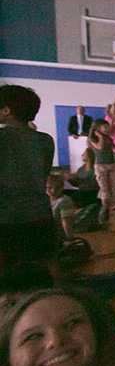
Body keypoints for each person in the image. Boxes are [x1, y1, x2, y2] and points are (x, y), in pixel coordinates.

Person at [0, 85, 56, 276]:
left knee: (10, 279)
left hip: (7, 220)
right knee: (45, 274)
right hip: (41, 215)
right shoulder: (46, 140)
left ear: (7, 110)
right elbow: (43, 175)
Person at [88, 119, 115, 224]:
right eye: (105, 127)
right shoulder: (94, 139)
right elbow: (100, 147)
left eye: (108, 127)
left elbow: (113, 148)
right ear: (97, 130)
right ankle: (105, 208)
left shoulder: (108, 138)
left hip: (111, 164)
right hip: (100, 166)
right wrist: (100, 136)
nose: (108, 129)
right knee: (104, 188)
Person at [46, 174, 76, 241]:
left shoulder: (64, 201)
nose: (53, 190)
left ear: (62, 187)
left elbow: (66, 223)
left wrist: (70, 239)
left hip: (59, 237)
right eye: (50, 188)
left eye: (57, 187)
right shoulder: (44, 200)